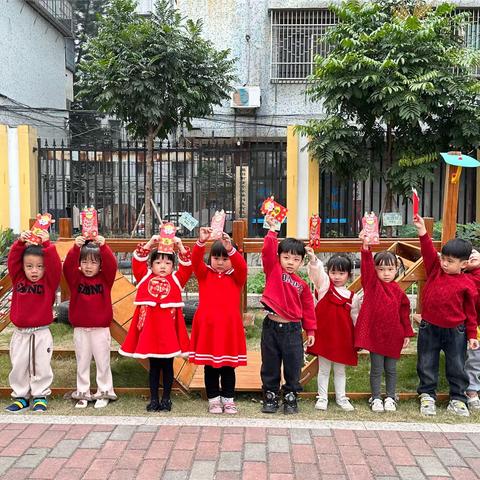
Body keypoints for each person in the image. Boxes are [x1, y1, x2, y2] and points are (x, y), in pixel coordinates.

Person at [413, 214, 478, 416]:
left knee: (457, 365)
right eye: (443, 258)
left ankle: (458, 398)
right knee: (426, 362)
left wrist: (472, 336)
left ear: (464, 264)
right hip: (429, 327)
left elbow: (471, 313)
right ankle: (427, 395)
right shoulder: (435, 269)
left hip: (456, 330)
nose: (444, 263)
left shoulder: (468, 283)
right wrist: (423, 231)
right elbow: (428, 251)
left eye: (450, 261)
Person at [119, 235, 192, 412]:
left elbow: (187, 269)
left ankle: (166, 399)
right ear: (151, 265)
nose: (162, 266)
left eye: (167, 263)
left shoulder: (176, 280)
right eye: (158, 262)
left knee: (167, 366)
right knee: (153, 368)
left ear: (173, 267)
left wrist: (180, 245)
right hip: (150, 331)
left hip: (168, 332)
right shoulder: (144, 278)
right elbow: (137, 263)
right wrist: (150, 243)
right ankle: (154, 399)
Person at [260, 217, 316, 414]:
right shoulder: (273, 270)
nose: (290, 262)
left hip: (293, 330)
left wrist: (310, 330)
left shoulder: (301, 285)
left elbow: (309, 309)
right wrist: (272, 231)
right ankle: (270, 395)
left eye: (295, 259)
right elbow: (267, 253)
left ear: (301, 261)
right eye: (286, 257)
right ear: (279, 257)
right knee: (270, 363)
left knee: (293, 365)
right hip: (271, 327)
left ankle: (291, 395)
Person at [189, 228, 248, 414]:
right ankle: (214, 399)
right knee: (211, 367)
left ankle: (228, 399)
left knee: (228, 367)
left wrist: (232, 250)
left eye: (225, 258)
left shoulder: (236, 277)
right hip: (208, 327)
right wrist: (201, 242)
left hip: (229, 328)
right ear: (210, 258)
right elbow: (194, 261)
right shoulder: (204, 274)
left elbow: (243, 267)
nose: (220, 262)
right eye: (216, 258)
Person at [354, 231, 414, 413]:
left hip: (393, 335)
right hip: (376, 336)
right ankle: (376, 397)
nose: (386, 273)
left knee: (392, 369)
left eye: (390, 269)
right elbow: (366, 269)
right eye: (381, 269)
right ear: (375, 270)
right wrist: (365, 248)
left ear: (396, 269)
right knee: (376, 368)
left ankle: (390, 397)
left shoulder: (398, 291)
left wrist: (407, 333)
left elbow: (404, 315)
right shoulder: (372, 285)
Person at [6, 230, 61, 412]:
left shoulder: (49, 282)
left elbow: (55, 266)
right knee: (19, 365)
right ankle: (21, 396)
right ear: (23, 267)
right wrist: (19, 243)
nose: (34, 270)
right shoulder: (18, 279)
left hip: (41, 333)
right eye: (29, 266)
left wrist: (47, 245)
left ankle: (40, 396)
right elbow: (12, 261)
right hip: (20, 333)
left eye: (39, 266)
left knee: (41, 366)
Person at [63, 235, 118, 408]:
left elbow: (112, 266)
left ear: (100, 265)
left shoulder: (105, 279)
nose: (88, 266)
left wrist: (104, 247)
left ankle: (104, 392)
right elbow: (67, 268)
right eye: (85, 262)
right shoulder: (75, 279)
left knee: (103, 361)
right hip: (80, 328)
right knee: (82, 361)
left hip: (100, 329)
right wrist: (74, 249)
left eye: (94, 262)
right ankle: (83, 393)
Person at [305, 248, 361, 411]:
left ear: (349, 275)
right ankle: (322, 398)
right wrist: (314, 259)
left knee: (340, 370)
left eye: (341, 273)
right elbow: (318, 275)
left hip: (343, 339)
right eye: (333, 272)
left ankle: (341, 398)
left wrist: (357, 340)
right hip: (325, 337)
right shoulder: (324, 288)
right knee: (323, 370)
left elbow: (355, 319)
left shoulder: (353, 297)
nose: (336, 276)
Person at [464, 249, 480, 410]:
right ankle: (471, 390)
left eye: (474, 252)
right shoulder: (465, 278)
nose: (472, 255)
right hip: (473, 324)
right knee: (474, 359)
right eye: (467, 256)